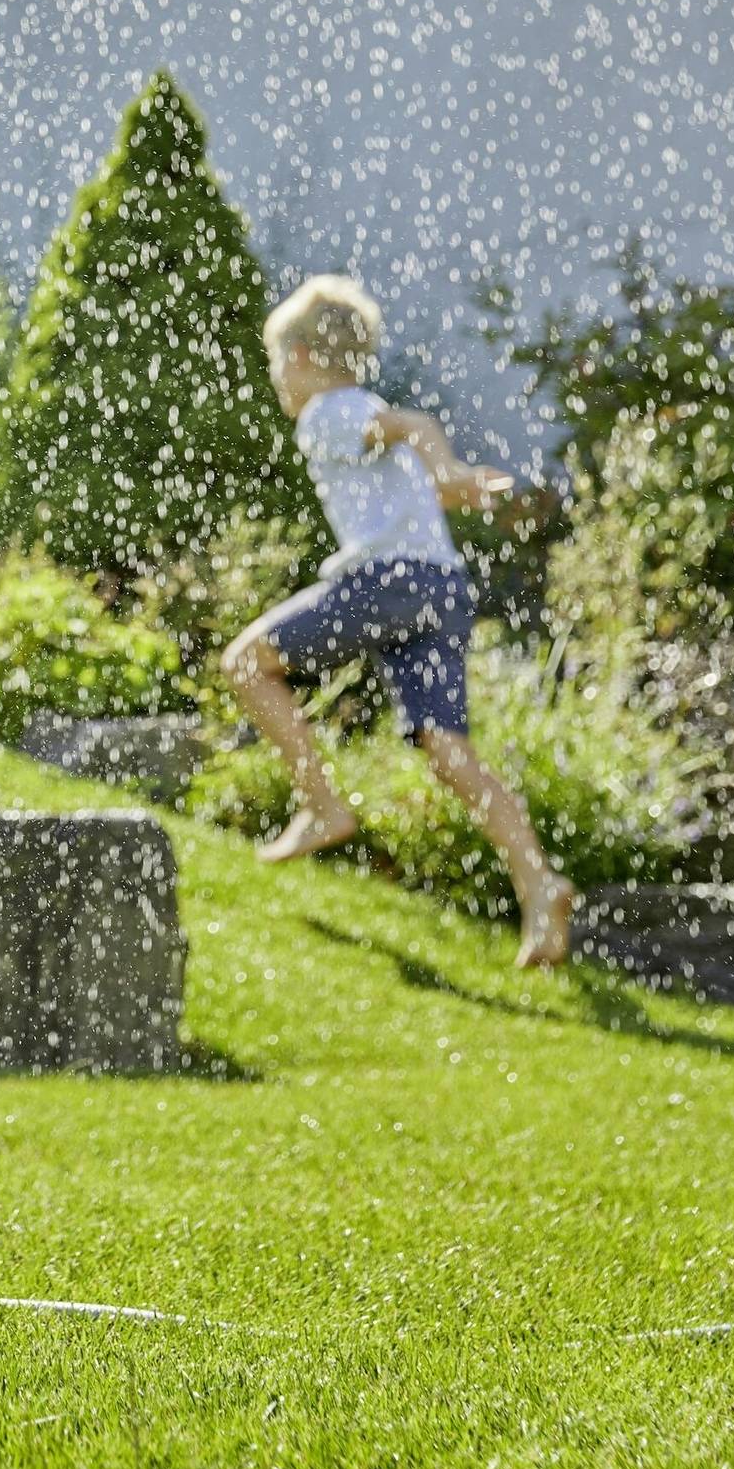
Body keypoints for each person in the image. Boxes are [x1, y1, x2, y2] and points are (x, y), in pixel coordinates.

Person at [221, 275, 575, 966]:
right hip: (440, 586)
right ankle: (539, 883)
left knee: (244, 663)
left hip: (390, 582)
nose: (276, 384)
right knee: (450, 753)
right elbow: (413, 468)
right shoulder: (361, 409)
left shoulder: (327, 413)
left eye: (274, 366)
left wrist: (443, 464)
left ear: (297, 359)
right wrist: (454, 486)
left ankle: (321, 805)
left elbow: (417, 428)